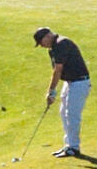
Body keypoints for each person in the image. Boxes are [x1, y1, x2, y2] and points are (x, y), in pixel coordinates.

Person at [34, 27, 90, 157]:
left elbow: (58, 70)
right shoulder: (54, 48)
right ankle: (68, 145)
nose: (42, 46)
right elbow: (57, 71)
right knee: (63, 113)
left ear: (47, 36)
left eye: (41, 42)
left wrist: (51, 92)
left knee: (72, 115)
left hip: (79, 83)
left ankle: (74, 147)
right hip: (70, 82)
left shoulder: (61, 44)